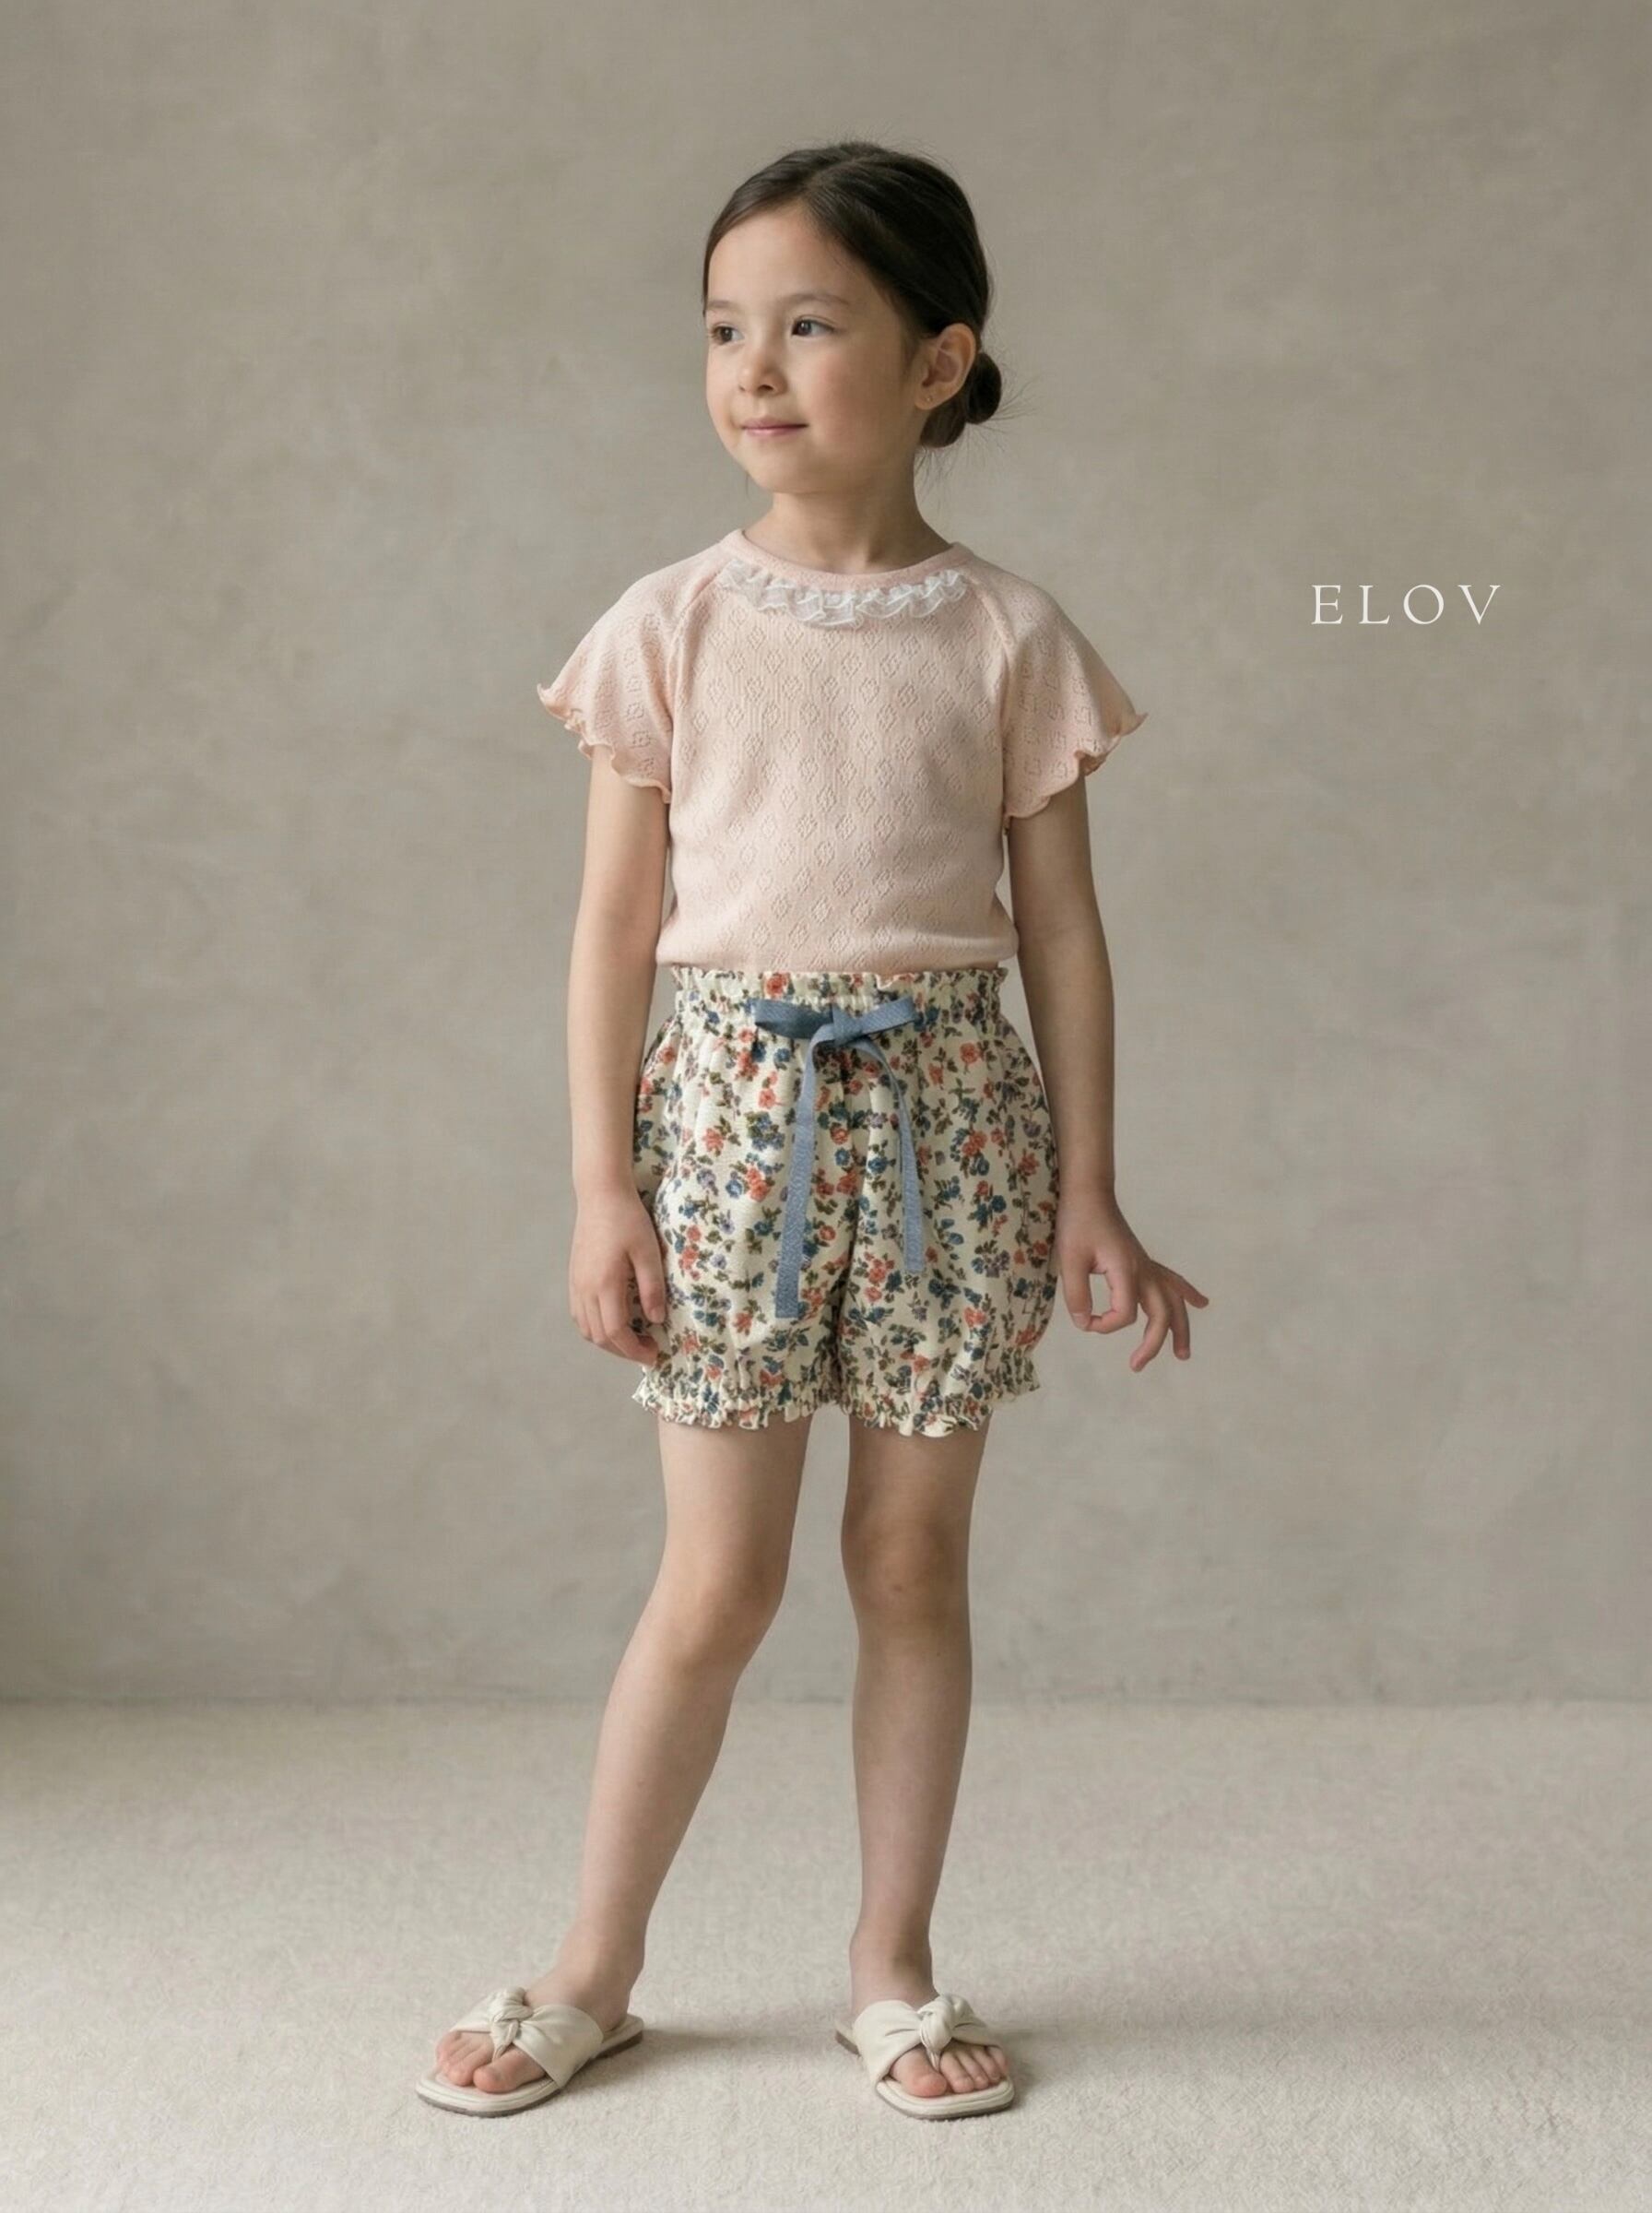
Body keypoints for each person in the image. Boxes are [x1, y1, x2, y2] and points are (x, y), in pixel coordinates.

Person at [419, 138, 1208, 2124]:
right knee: (717, 1582)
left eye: (806, 325)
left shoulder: (1009, 636)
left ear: (937, 361)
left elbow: (1062, 934)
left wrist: (1092, 1188)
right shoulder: (666, 624)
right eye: (722, 329)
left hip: (955, 1133)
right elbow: (611, 933)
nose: (752, 369)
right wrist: (600, 1186)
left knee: (910, 1566)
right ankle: (591, 1971)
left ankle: (892, 1970)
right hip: (724, 1131)